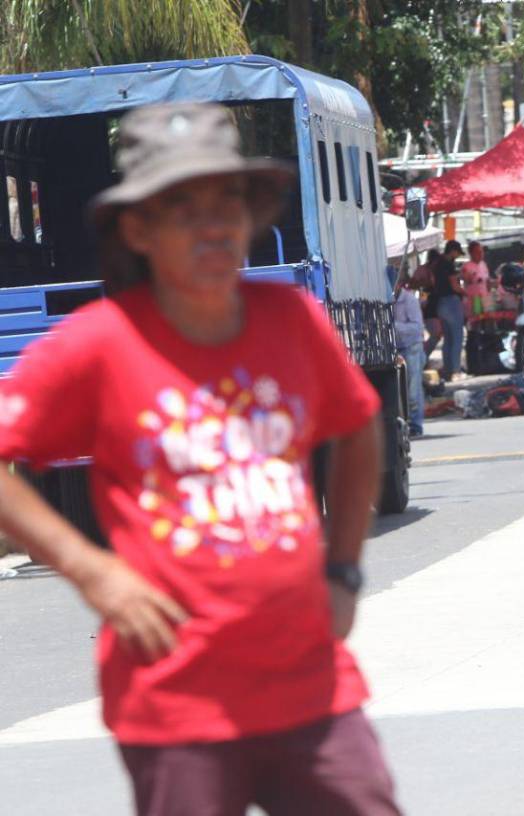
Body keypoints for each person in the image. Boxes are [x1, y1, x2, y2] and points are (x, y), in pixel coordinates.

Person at [0, 103, 399, 814]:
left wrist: (343, 566)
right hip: (176, 702)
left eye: (227, 202)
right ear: (138, 230)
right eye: (182, 207)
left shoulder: (292, 320)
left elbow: (359, 426)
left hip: (309, 681)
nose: (212, 225)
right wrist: (94, 572)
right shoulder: (99, 344)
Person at [394, 266, 427, 437]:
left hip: (412, 346)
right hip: (396, 347)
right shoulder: (387, 300)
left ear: (400, 284)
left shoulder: (410, 301)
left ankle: (416, 424)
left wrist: (395, 327)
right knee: (399, 390)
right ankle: (404, 423)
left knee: (413, 389)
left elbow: (417, 328)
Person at [434, 239, 466, 381]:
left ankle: (448, 370)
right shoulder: (448, 264)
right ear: (452, 250)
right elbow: (454, 285)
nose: (458, 255)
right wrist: (466, 292)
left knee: (448, 339)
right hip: (451, 303)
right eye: (457, 253)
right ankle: (456, 372)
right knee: (457, 338)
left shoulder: (437, 264)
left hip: (440, 303)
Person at [461, 240, 490, 319]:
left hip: (485, 297)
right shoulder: (466, 266)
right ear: (471, 253)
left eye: (481, 251)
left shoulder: (484, 264)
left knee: (488, 319)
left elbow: (487, 281)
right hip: (475, 299)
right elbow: (466, 280)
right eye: (477, 252)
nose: (480, 254)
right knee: (477, 320)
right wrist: (472, 277)